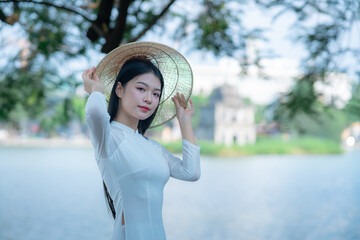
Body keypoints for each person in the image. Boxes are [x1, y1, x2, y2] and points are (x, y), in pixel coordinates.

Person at [82, 42, 201, 240]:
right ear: (119, 90)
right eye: (141, 89)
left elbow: (191, 172)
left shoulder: (151, 146)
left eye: (156, 94)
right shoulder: (108, 137)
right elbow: (95, 111)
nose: (149, 99)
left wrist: (184, 120)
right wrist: (95, 89)